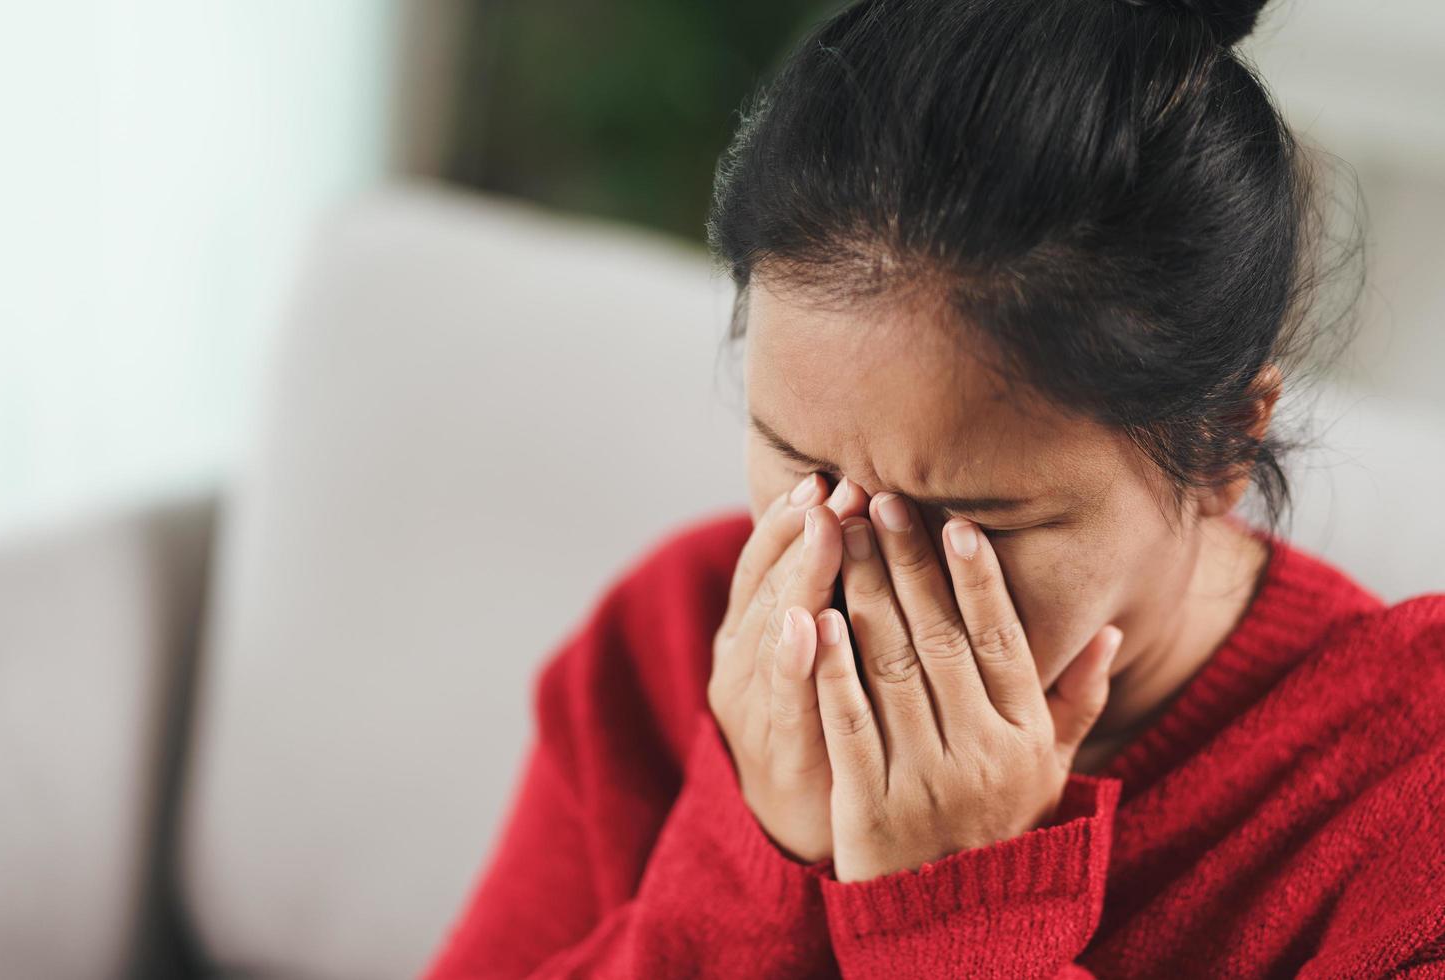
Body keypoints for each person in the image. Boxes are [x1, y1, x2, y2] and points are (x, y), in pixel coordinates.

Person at [422, 0, 1445, 975]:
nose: (853, 563)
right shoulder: (669, 637)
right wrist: (753, 853)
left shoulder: (1406, 784)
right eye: (802, 463)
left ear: (1225, 443)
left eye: (973, 522)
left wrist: (957, 916)